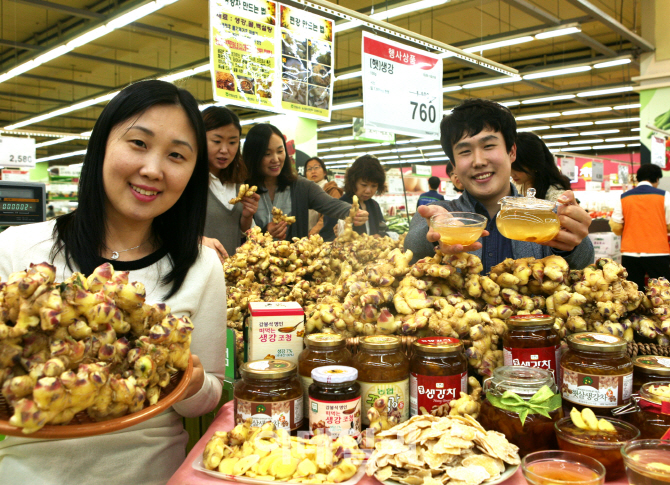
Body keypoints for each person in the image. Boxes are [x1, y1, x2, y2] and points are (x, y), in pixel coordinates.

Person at [0, 80, 226, 485]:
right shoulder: (18, 249)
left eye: (176, 155)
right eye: (138, 143)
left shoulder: (202, 265)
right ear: (102, 144)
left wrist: (187, 379)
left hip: (155, 473)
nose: (153, 169)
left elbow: (209, 392)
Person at [404, 98, 594, 272]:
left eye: (488, 146)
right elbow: (412, 252)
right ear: (453, 165)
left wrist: (575, 243)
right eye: (464, 151)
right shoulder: (440, 214)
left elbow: (581, 268)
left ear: (511, 152)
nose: (478, 161)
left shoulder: (544, 219)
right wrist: (437, 235)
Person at [243, 123, 368, 240]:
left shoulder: (301, 186)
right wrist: (264, 232)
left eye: (280, 151)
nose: (276, 159)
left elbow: (330, 204)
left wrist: (353, 212)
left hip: (295, 261)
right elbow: (237, 230)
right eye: (267, 153)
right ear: (253, 156)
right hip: (250, 261)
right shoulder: (242, 190)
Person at [202, 106, 260, 258]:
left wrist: (247, 216)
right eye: (216, 141)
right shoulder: (187, 182)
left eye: (232, 142)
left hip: (232, 274)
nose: (225, 150)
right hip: (196, 274)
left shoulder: (238, 184)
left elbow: (240, 232)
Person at [610, 163, 670, 289]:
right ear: (657, 179)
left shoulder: (624, 197)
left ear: (638, 178)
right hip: (657, 252)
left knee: (633, 292)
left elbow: (616, 225)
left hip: (630, 252)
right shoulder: (665, 196)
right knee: (661, 292)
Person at [320, 155, 388, 241]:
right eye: (364, 185)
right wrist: (338, 236)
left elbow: (383, 229)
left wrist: (380, 235)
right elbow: (325, 238)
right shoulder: (337, 207)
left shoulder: (374, 206)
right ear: (353, 182)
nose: (368, 191)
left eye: (374, 186)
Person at [511, 132, 571, 201]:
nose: (512, 174)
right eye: (511, 167)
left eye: (517, 169)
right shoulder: (515, 186)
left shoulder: (555, 196)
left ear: (533, 164)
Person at [304, 156, 344, 235]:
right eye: (309, 169)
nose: (313, 171)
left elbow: (328, 217)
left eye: (316, 167)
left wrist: (311, 235)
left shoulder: (332, 190)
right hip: (305, 238)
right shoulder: (303, 192)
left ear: (324, 172)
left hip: (324, 237)